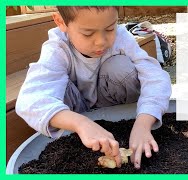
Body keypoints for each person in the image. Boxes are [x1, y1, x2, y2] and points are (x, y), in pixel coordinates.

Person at [16, 6, 171, 169]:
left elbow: (155, 76)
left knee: (120, 67)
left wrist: (143, 123)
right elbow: (30, 101)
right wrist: (81, 123)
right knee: (53, 87)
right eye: (88, 33)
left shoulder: (122, 38)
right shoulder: (57, 48)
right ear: (61, 22)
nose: (101, 41)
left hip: (113, 106)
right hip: (75, 113)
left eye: (110, 28)